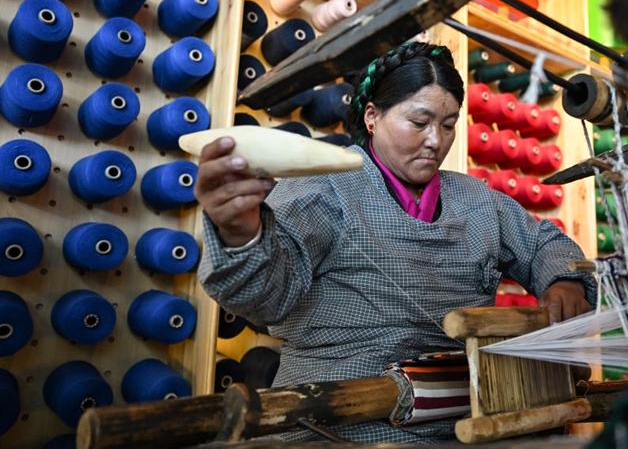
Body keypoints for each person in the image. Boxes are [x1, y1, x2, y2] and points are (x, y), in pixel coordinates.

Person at [195, 42, 597, 443]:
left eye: (448, 124)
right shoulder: (320, 191)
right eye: (418, 122)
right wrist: (241, 234)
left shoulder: (479, 201)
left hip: (463, 418)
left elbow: (543, 243)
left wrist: (564, 280)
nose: (435, 141)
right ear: (372, 116)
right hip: (336, 416)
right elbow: (266, 299)